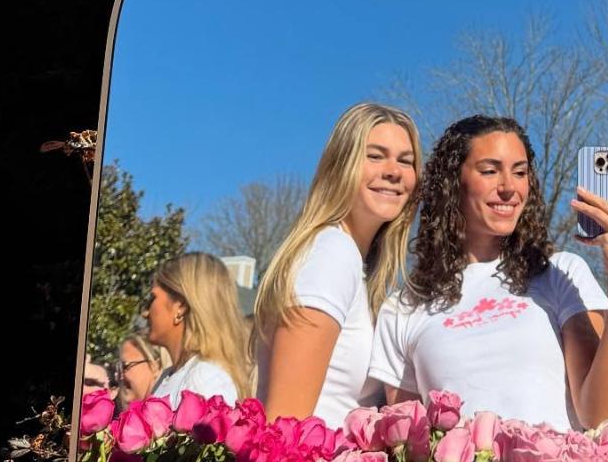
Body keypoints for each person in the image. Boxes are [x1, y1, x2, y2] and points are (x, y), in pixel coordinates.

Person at [370, 115, 608, 431]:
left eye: (520, 172)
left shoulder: (561, 274)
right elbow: (407, 441)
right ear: (452, 182)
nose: (509, 187)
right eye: (490, 171)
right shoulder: (402, 309)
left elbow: (599, 415)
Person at [254, 102, 421, 428]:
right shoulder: (332, 251)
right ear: (341, 164)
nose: (394, 171)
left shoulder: (354, 262)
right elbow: (284, 425)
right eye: (375, 156)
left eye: (406, 160)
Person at [144, 252, 252, 404]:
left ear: (180, 307)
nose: (145, 313)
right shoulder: (171, 375)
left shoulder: (206, 379)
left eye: (153, 299)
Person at [116, 333, 171, 404]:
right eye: (119, 367)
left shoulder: (176, 407)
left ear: (155, 367)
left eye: (125, 366)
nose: (119, 377)